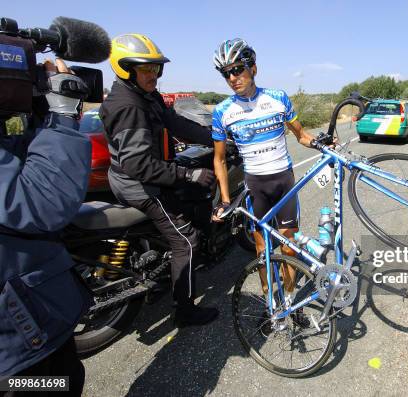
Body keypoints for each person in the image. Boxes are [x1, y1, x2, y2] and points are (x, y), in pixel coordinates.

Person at [100, 34, 218, 327]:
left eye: (156, 68)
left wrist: (215, 137)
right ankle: (186, 310)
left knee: (184, 197)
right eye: (146, 69)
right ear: (126, 68)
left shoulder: (143, 94)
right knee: (186, 241)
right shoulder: (130, 107)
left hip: (132, 175)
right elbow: (139, 164)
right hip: (139, 184)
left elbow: (174, 122)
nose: (153, 74)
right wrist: (188, 173)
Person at [210, 38, 319, 327]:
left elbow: (302, 136)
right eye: (226, 73)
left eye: (237, 69)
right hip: (255, 186)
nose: (232, 78)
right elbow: (219, 160)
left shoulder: (278, 98)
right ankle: (272, 304)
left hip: (284, 182)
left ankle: (292, 304)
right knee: (262, 251)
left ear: (253, 68)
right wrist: (224, 199)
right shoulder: (222, 112)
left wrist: (321, 143)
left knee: (289, 248)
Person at [0, 58, 92, 395]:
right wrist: (63, 110)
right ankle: (186, 308)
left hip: (32, 324)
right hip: (17, 352)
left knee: (66, 380)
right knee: (182, 239)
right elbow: (41, 202)